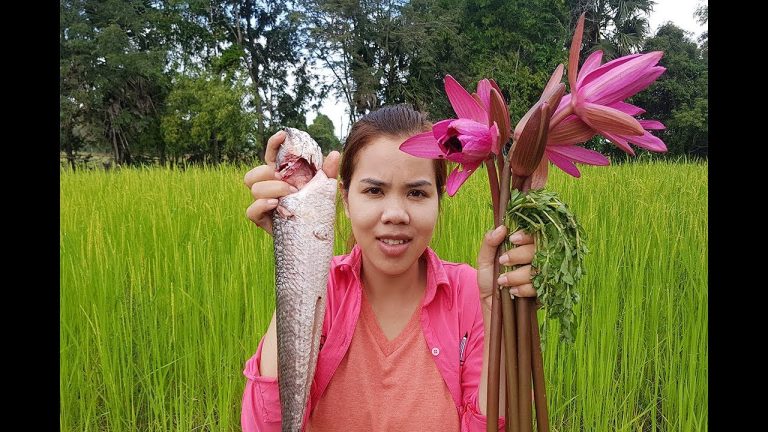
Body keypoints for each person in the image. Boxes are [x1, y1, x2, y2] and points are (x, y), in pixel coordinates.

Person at [241, 105, 537, 431]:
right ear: (345, 198)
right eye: (374, 191)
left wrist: (496, 309)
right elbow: (265, 425)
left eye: (416, 193)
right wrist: (294, 249)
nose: (395, 214)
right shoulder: (326, 290)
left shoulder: (472, 292)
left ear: (438, 200)